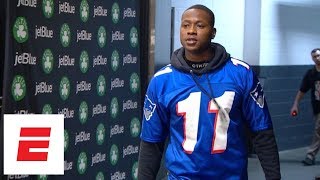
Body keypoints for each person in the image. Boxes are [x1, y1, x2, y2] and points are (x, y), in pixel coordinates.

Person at [138, 4, 281, 180]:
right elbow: (152, 143)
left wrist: (273, 177)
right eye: (185, 25)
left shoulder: (241, 73)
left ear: (213, 32)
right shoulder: (162, 81)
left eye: (199, 25)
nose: (191, 31)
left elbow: (262, 132)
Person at [290, 48, 320, 166]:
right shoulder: (311, 74)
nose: (317, 58)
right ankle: (310, 155)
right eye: (314, 57)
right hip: (317, 107)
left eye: (318, 55)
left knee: (318, 130)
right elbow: (302, 90)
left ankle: (310, 155)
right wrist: (295, 104)